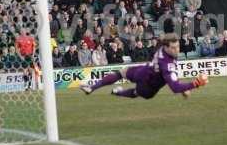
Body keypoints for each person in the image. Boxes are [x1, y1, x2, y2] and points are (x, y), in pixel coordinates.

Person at [79, 33, 208, 99]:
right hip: (149, 85)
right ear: (166, 47)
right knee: (135, 91)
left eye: (178, 46)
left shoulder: (162, 49)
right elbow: (174, 87)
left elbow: (173, 78)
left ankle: (94, 87)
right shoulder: (167, 65)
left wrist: (182, 88)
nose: (177, 50)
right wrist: (195, 84)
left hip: (144, 71)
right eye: (174, 48)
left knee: (122, 72)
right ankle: (116, 92)